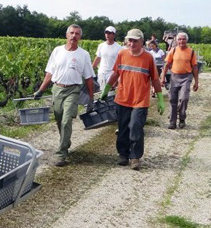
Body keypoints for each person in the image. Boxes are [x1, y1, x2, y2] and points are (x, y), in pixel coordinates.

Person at [99, 29, 164, 170]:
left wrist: (160, 99)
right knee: (122, 129)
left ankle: (135, 157)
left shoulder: (148, 58)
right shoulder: (122, 54)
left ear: (142, 42)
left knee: (135, 127)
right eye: (130, 40)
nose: (131, 43)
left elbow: (155, 79)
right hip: (122, 98)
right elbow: (116, 73)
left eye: (135, 40)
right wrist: (106, 89)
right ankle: (123, 154)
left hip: (140, 101)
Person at [33, 24, 95, 167]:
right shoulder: (57, 51)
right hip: (57, 89)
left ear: (80, 37)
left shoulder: (83, 54)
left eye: (77, 34)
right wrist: (41, 90)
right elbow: (49, 73)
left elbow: (89, 78)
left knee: (67, 120)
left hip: (73, 90)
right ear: (67, 35)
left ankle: (61, 154)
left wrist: (91, 98)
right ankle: (66, 142)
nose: (74, 36)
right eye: (72, 33)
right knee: (60, 119)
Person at [159, 32, 199, 129]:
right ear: (176, 41)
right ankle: (172, 122)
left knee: (184, 98)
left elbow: (194, 67)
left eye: (183, 39)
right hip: (174, 77)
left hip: (186, 77)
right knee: (173, 99)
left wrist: (196, 82)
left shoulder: (191, 52)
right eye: (179, 39)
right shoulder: (173, 51)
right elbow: (167, 65)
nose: (181, 41)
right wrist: (163, 77)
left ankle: (182, 118)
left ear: (187, 40)